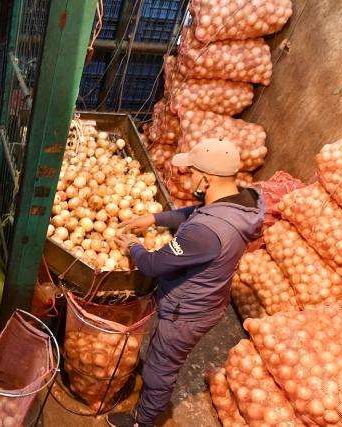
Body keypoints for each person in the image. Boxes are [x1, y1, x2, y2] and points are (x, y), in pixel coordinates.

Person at [106, 139, 265, 427]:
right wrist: (153, 218)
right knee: (162, 358)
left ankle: (144, 420)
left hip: (188, 311)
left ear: (206, 178)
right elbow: (194, 213)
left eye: (191, 172)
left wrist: (132, 247)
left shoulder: (206, 233)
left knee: (160, 370)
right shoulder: (238, 201)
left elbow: (153, 265)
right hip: (207, 299)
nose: (188, 177)